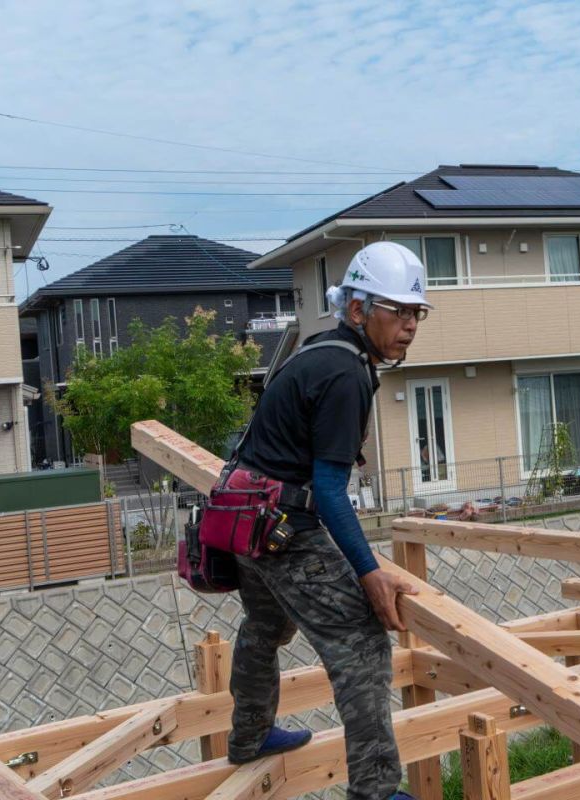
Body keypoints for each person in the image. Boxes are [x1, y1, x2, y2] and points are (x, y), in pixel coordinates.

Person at [227, 241, 432, 800]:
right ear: (360, 309)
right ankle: (376, 789)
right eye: (398, 311)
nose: (410, 324)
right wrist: (370, 572)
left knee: (264, 627)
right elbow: (329, 490)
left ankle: (248, 735)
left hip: (246, 519)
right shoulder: (346, 372)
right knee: (362, 642)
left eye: (416, 312)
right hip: (285, 527)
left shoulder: (317, 351)